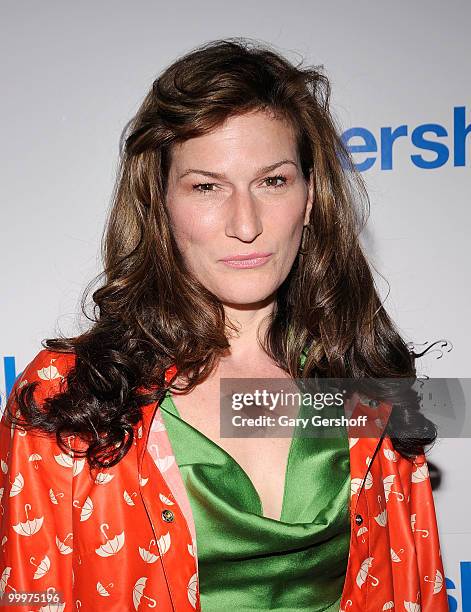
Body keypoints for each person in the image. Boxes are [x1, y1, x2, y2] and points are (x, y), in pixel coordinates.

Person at [0, 38, 449, 611]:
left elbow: (415, 587)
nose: (245, 224)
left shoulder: (361, 375)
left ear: (311, 197)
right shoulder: (70, 396)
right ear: (159, 201)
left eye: (273, 181)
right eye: (207, 186)